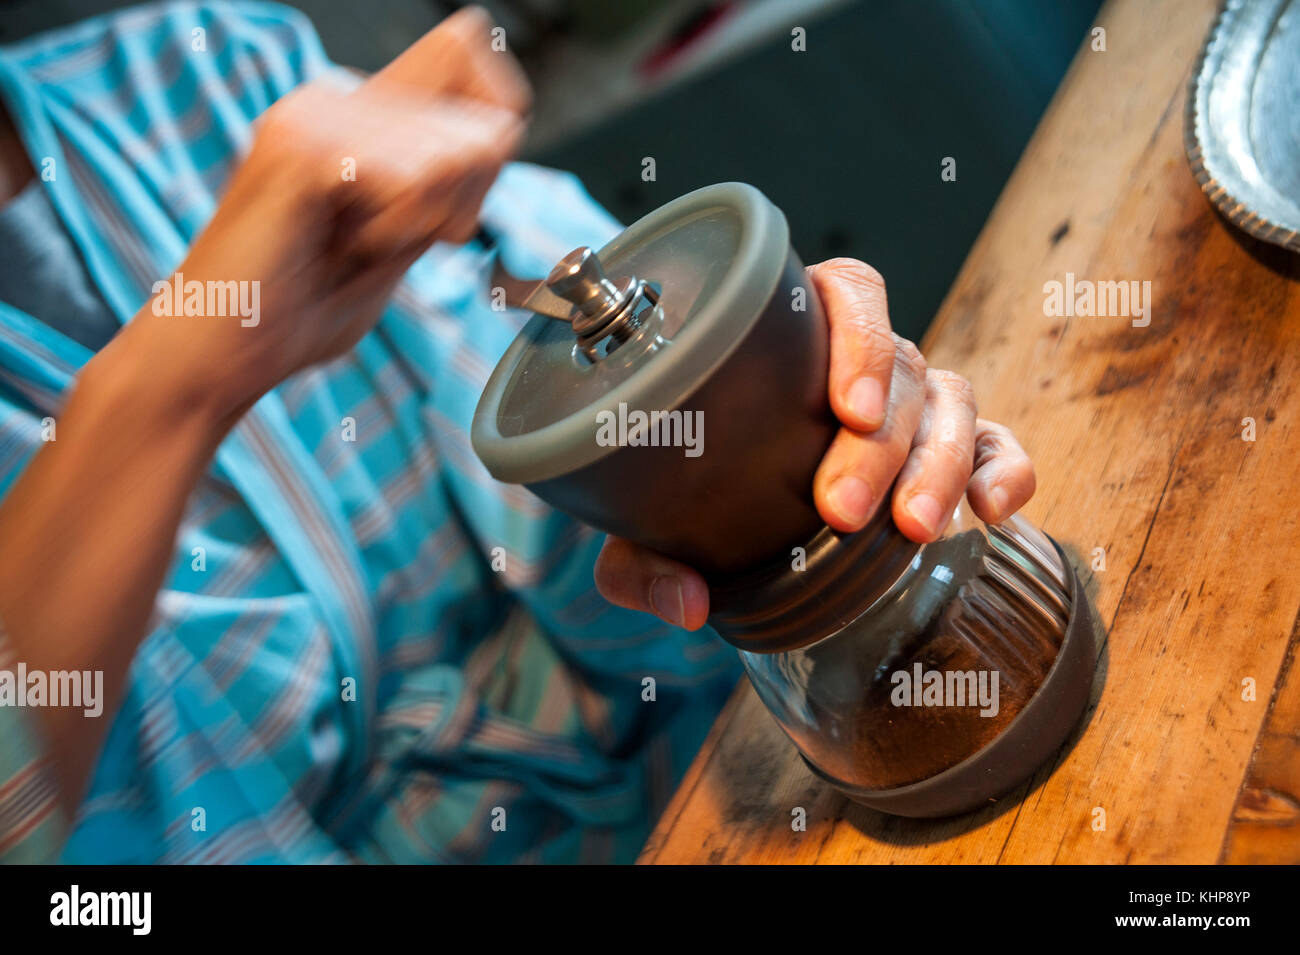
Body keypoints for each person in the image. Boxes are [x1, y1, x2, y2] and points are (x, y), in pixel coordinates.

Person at [0, 3, 1036, 863]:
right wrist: (160, 391)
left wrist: (792, 397)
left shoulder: (205, 64)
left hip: (761, 779)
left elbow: (585, 348)